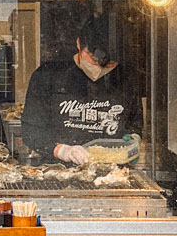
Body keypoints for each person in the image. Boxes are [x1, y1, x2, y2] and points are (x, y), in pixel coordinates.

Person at [22, 14, 142, 163]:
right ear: (79, 44)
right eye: (92, 59)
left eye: (109, 63)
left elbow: (135, 124)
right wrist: (61, 150)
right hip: (57, 172)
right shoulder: (49, 75)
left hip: (111, 174)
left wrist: (133, 141)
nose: (98, 67)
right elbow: (31, 131)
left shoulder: (125, 79)